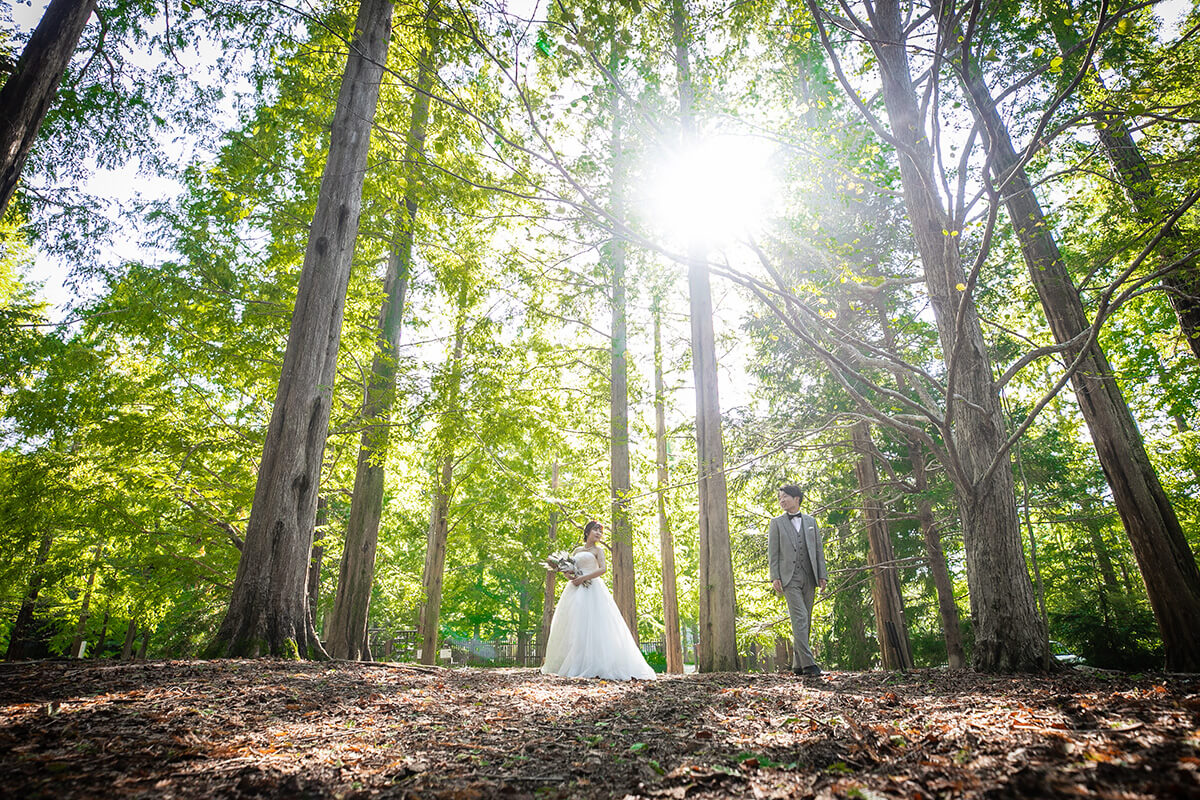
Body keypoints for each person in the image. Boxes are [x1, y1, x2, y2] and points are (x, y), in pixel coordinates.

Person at [541, 520, 656, 680]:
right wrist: (568, 574)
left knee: (595, 624)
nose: (599, 534)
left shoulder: (598, 551)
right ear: (587, 532)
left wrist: (584, 578)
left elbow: (603, 569)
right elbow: (570, 568)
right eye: (596, 530)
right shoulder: (578, 550)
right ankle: (575, 662)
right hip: (575, 589)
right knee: (576, 624)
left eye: (601, 532)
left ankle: (596, 663)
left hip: (593, 587)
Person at [768, 484, 828, 676]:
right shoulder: (776, 523)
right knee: (800, 617)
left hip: (809, 576)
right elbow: (773, 552)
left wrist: (822, 575)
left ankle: (797, 664)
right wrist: (774, 576)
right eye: (780, 498)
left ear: (797, 499)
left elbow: (818, 550)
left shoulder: (811, 522)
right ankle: (809, 664)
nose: (782, 500)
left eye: (785, 497)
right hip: (789, 577)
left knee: (806, 620)